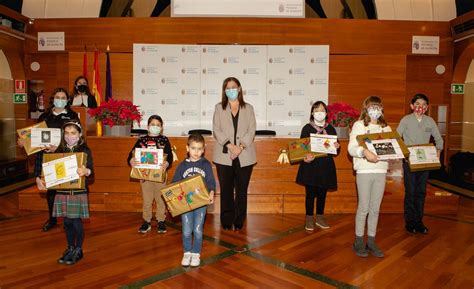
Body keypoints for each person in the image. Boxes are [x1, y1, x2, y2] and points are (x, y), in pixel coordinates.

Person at [22, 88, 79, 232]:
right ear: (53, 99)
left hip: (64, 155)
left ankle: (69, 219)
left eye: (63, 97)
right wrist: (24, 142)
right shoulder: (44, 116)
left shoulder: (72, 116)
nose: (60, 99)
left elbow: (77, 137)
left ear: (67, 100)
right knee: (51, 191)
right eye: (57, 97)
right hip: (45, 156)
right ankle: (52, 219)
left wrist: (58, 147)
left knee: (67, 189)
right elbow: (34, 136)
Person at [42, 120, 93, 265]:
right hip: (62, 191)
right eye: (67, 133)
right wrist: (44, 178)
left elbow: (92, 171)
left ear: (79, 134)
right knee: (67, 222)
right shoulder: (59, 151)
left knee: (76, 221)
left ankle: (79, 249)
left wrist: (86, 171)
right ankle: (70, 247)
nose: (70, 136)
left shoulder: (85, 150)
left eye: (73, 133)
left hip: (78, 192)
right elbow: (50, 169)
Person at [348, 96, 391, 258]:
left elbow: (391, 147)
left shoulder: (385, 128)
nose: (375, 110)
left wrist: (395, 153)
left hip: (381, 170)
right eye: (372, 107)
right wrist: (364, 152)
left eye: (378, 107)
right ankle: (358, 240)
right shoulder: (359, 125)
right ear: (366, 108)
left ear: (382, 109)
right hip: (364, 171)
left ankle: (371, 240)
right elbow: (352, 148)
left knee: (375, 208)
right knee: (364, 207)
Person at [212, 77, 256, 231]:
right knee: (226, 189)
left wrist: (240, 147)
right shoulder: (219, 107)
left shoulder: (249, 108)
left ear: (239, 88)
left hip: (245, 155)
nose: (231, 90)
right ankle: (226, 219)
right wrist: (230, 146)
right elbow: (216, 129)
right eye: (228, 87)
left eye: (233, 87)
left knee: (241, 189)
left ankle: (239, 220)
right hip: (224, 154)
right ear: (225, 91)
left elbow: (252, 130)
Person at [397, 93, 443, 234]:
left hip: (425, 162)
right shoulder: (405, 120)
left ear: (427, 107)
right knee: (410, 192)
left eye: (423, 105)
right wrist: (404, 153)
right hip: (410, 161)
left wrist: (438, 152)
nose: (420, 107)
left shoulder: (430, 121)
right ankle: (410, 222)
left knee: (421, 192)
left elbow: (439, 139)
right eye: (417, 104)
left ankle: (419, 222)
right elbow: (397, 137)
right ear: (412, 106)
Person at [172, 134, 216, 267]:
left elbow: (211, 182)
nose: (196, 152)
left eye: (199, 149)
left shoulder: (206, 165)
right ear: (187, 148)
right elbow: (174, 183)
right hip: (186, 205)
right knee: (186, 230)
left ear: (203, 149)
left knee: (197, 229)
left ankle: (196, 253)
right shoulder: (182, 166)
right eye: (193, 148)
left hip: (201, 203)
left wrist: (212, 192)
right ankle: (187, 252)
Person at [296, 101, 339, 231]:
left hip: (326, 166)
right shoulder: (307, 128)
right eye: (316, 110)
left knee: (322, 194)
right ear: (312, 113)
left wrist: (337, 147)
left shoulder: (330, 128)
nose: (319, 113)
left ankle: (320, 217)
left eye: (322, 110)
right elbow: (302, 148)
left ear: (326, 113)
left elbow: (335, 151)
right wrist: (306, 157)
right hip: (311, 167)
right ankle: (309, 218)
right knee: (310, 194)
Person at [127, 115, 173, 234]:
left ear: (161, 128)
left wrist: (167, 163)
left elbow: (170, 156)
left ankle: (161, 221)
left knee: (160, 199)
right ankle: (146, 221)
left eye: (158, 125)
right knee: (147, 200)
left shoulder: (164, 140)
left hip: (160, 176)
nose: (155, 127)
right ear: (148, 126)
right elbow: (131, 155)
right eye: (153, 124)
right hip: (145, 177)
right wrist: (132, 161)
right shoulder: (141, 140)